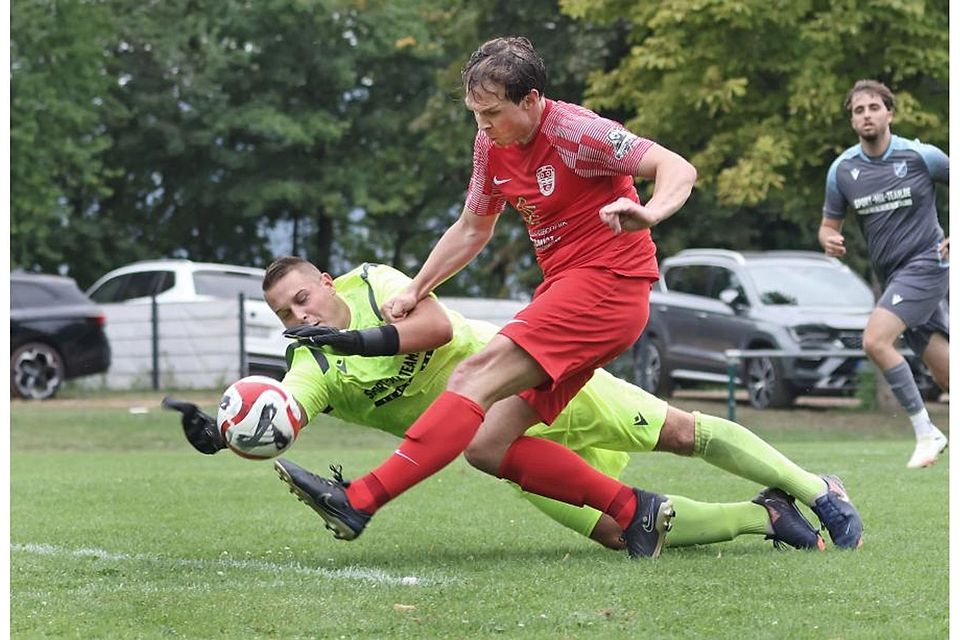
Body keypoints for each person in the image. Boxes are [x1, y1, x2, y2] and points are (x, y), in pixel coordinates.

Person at [267, 36, 701, 558]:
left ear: (532, 100)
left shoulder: (576, 131)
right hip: (570, 292)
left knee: (471, 377)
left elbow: (678, 167)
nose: (483, 125)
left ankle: (360, 500)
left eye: (492, 113)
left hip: (607, 286)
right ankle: (637, 512)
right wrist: (416, 289)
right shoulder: (490, 146)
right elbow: (473, 227)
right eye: (475, 113)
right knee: (488, 446)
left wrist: (650, 213)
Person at [168, 257, 863, 553]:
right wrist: (224, 438)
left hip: (530, 382)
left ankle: (814, 488)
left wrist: (353, 333)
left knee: (681, 432)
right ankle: (761, 516)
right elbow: (280, 411)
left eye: (302, 297)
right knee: (621, 534)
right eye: (283, 310)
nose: (298, 312)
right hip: (503, 449)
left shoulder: (375, 283)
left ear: (325, 280)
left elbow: (434, 327)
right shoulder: (311, 361)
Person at [818, 79, 950, 469]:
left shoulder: (920, 156)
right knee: (947, 377)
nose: (866, 115)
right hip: (895, 278)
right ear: (852, 121)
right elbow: (829, 225)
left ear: (889, 113)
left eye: (874, 107)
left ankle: (927, 432)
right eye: (858, 111)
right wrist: (829, 239)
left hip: (927, 264)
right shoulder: (842, 170)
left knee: (875, 341)